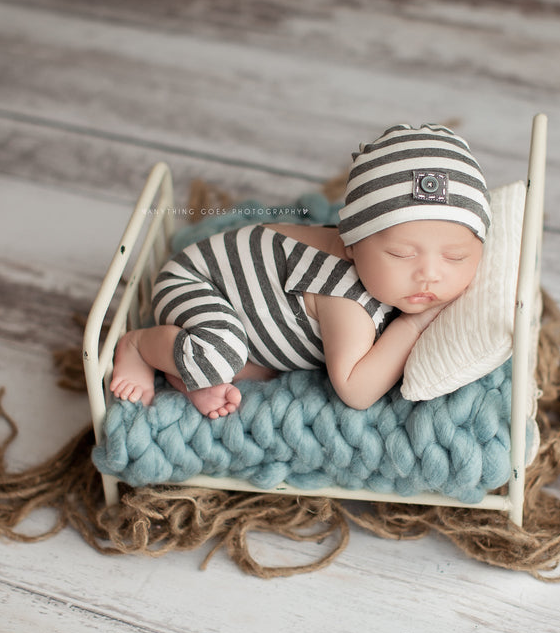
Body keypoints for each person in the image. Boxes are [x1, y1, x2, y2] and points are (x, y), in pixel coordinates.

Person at [110, 124, 492, 418]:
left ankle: (189, 375)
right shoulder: (345, 294)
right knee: (222, 351)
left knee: (263, 369)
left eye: (455, 257)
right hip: (197, 281)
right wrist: (412, 325)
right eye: (400, 253)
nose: (429, 274)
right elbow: (357, 392)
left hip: (250, 298)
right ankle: (141, 346)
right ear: (351, 243)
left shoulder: (386, 274)